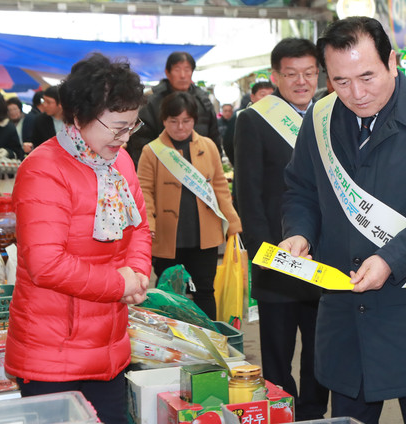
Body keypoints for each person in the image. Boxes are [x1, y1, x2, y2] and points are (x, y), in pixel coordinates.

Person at [279, 17, 406, 423]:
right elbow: (302, 189)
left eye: (367, 76)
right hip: (346, 311)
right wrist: (298, 233)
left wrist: (390, 259)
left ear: (392, 62)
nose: (357, 93)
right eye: (341, 81)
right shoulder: (320, 118)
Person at [4, 53, 151, 424]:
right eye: (117, 127)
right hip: (54, 352)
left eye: (131, 127)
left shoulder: (121, 163)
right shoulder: (44, 169)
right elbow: (45, 264)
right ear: (79, 115)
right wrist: (119, 283)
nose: (125, 138)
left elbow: (139, 228)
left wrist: (137, 271)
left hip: (110, 345)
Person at [234, 38, 329, 420]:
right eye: (291, 74)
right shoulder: (254, 120)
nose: (301, 81)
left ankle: (312, 413)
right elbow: (248, 194)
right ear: (275, 77)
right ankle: (280, 413)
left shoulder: (329, 115)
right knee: (276, 353)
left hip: (325, 258)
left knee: (321, 351)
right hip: (278, 259)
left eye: (309, 73)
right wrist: (265, 255)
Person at [137, 91, 241, 320]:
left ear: (194, 120)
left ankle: (209, 342)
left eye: (186, 121)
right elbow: (144, 192)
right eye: (173, 121)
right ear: (164, 120)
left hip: (203, 235)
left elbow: (220, 187)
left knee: (204, 290)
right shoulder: (151, 151)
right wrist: (149, 225)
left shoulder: (209, 146)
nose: (180, 127)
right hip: (167, 236)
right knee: (170, 295)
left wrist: (233, 222)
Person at [127, 51, 221, 166]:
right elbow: (140, 141)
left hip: (199, 171)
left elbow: (214, 137)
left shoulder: (203, 100)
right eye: (177, 69)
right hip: (162, 168)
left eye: (187, 70)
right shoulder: (151, 102)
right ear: (167, 72)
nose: (183, 75)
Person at [223, 81, 274, 167]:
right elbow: (228, 144)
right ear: (252, 97)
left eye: (271, 95)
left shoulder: (280, 118)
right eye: (262, 95)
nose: (267, 99)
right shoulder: (240, 116)